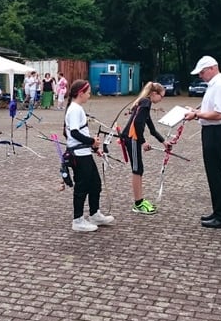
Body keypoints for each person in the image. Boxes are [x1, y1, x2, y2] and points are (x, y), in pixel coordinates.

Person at [184, 56, 221, 229]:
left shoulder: (220, 86)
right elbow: (211, 111)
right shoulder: (215, 85)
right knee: (214, 174)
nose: (200, 76)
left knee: (216, 174)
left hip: (216, 131)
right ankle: (218, 211)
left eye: (202, 72)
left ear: (213, 68)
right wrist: (197, 112)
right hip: (212, 131)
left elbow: (219, 114)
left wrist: (196, 114)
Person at [64, 79, 115, 232]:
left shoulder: (77, 108)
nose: (89, 95)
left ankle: (94, 214)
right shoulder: (75, 109)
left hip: (84, 152)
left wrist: (93, 147)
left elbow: (79, 132)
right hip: (79, 155)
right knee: (82, 187)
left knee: (95, 184)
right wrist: (92, 141)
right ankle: (78, 220)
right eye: (88, 93)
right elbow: (74, 133)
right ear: (80, 93)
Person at [120, 82, 168, 214]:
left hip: (133, 139)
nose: (161, 99)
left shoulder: (145, 103)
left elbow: (151, 128)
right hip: (132, 139)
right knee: (137, 170)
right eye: (161, 96)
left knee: (139, 169)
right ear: (154, 93)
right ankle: (138, 203)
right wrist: (143, 142)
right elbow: (137, 123)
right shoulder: (146, 103)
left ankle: (140, 200)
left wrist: (164, 142)